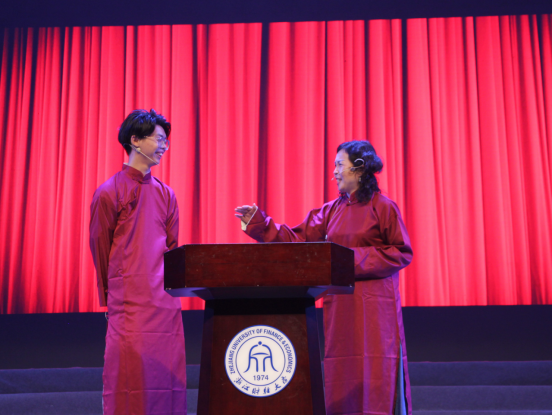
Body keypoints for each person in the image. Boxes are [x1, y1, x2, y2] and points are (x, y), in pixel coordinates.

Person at [235, 140, 413, 415]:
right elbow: (296, 239)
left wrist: (345, 259)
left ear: (359, 168)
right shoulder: (331, 210)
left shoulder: (383, 207)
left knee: (376, 370)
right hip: (341, 305)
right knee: (343, 369)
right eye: (335, 166)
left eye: (340, 165)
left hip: (376, 309)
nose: (335, 172)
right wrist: (260, 224)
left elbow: (400, 252)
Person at [89, 109, 187, 415]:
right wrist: (110, 299)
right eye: (158, 139)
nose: (163, 146)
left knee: (166, 380)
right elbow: (100, 248)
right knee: (128, 379)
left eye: (165, 141)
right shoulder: (109, 192)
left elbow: (173, 250)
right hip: (128, 305)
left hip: (163, 304)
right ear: (135, 140)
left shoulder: (166, 195)